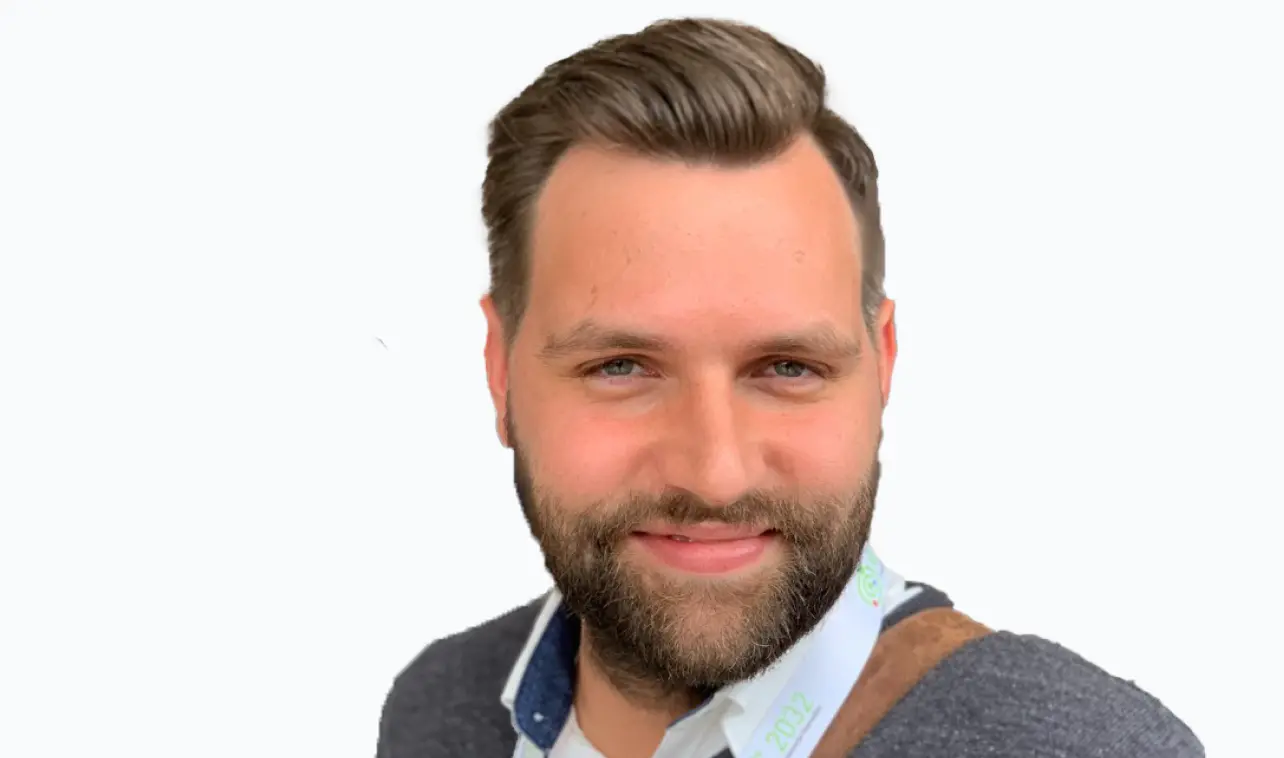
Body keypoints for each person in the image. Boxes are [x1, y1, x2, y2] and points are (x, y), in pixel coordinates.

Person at [375, 16, 1203, 758]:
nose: (715, 475)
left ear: (883, 366)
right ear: (500, 371)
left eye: (787, 369)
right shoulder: (439, 708)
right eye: (621, 367)